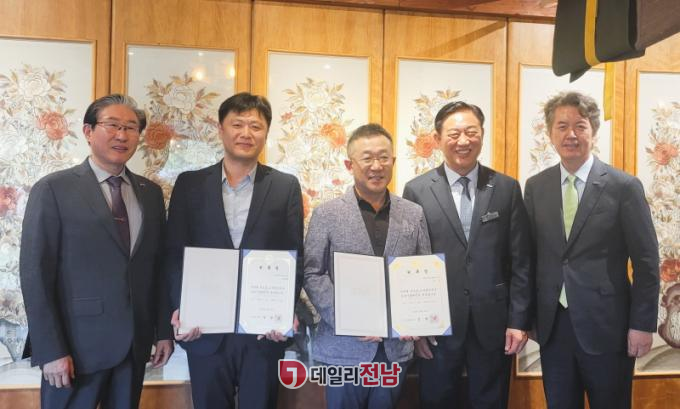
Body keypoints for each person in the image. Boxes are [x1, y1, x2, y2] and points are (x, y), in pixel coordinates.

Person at [20, 94, 174, 409]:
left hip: (134, 346)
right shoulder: (54, 189)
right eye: (112, 125)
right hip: (75, 349)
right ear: (88, 131)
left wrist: (163, 331)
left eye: (131, 128)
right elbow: (35, 273)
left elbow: (156, 269)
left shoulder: (150, 194)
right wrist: (51, 350)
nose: (122, 135)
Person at [165, 92, 304, 409]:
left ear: (266, 132)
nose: (246, 133)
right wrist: (180, 307)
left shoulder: (285, 187)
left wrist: (285, 311)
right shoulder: (190, 184)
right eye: (237, 124)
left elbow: (294, 256)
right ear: (221, 129)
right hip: (204, 330)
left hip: (263, 333)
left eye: (255, 126)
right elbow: (174, 254)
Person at [524, 91, 659, 409]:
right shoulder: (536, 187)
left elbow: (647, 262)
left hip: (609, 327)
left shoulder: (623, 187)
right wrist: (526, 318)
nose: (570, 134)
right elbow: (528, 258)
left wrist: (642, 325)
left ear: (593, 132)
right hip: (554, 328)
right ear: (550, 133)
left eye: (580, 126)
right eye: (562, 126)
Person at [403, 101, 532, 409]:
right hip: (436, 323)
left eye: (471, 132)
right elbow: (409, 262)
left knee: (490, 400)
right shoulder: (417, 190)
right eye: (454, 134)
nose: (463, 141)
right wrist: (414, 327)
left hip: (493, 321)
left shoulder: (506, 188)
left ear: (482, 135)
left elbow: (521, 261)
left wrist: (518, 321)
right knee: (436, 399)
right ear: (438, 139)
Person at [304, 123, 431, 409]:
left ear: (393, 161)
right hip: (343, 347)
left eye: (384, 157)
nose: (377, 166)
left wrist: (413, 320)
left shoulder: (413, 214)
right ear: (349, 165)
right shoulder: (327, 214)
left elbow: (423, 270)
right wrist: (348, 318)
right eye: (367, 158)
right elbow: (312, 272)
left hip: (394, 348)